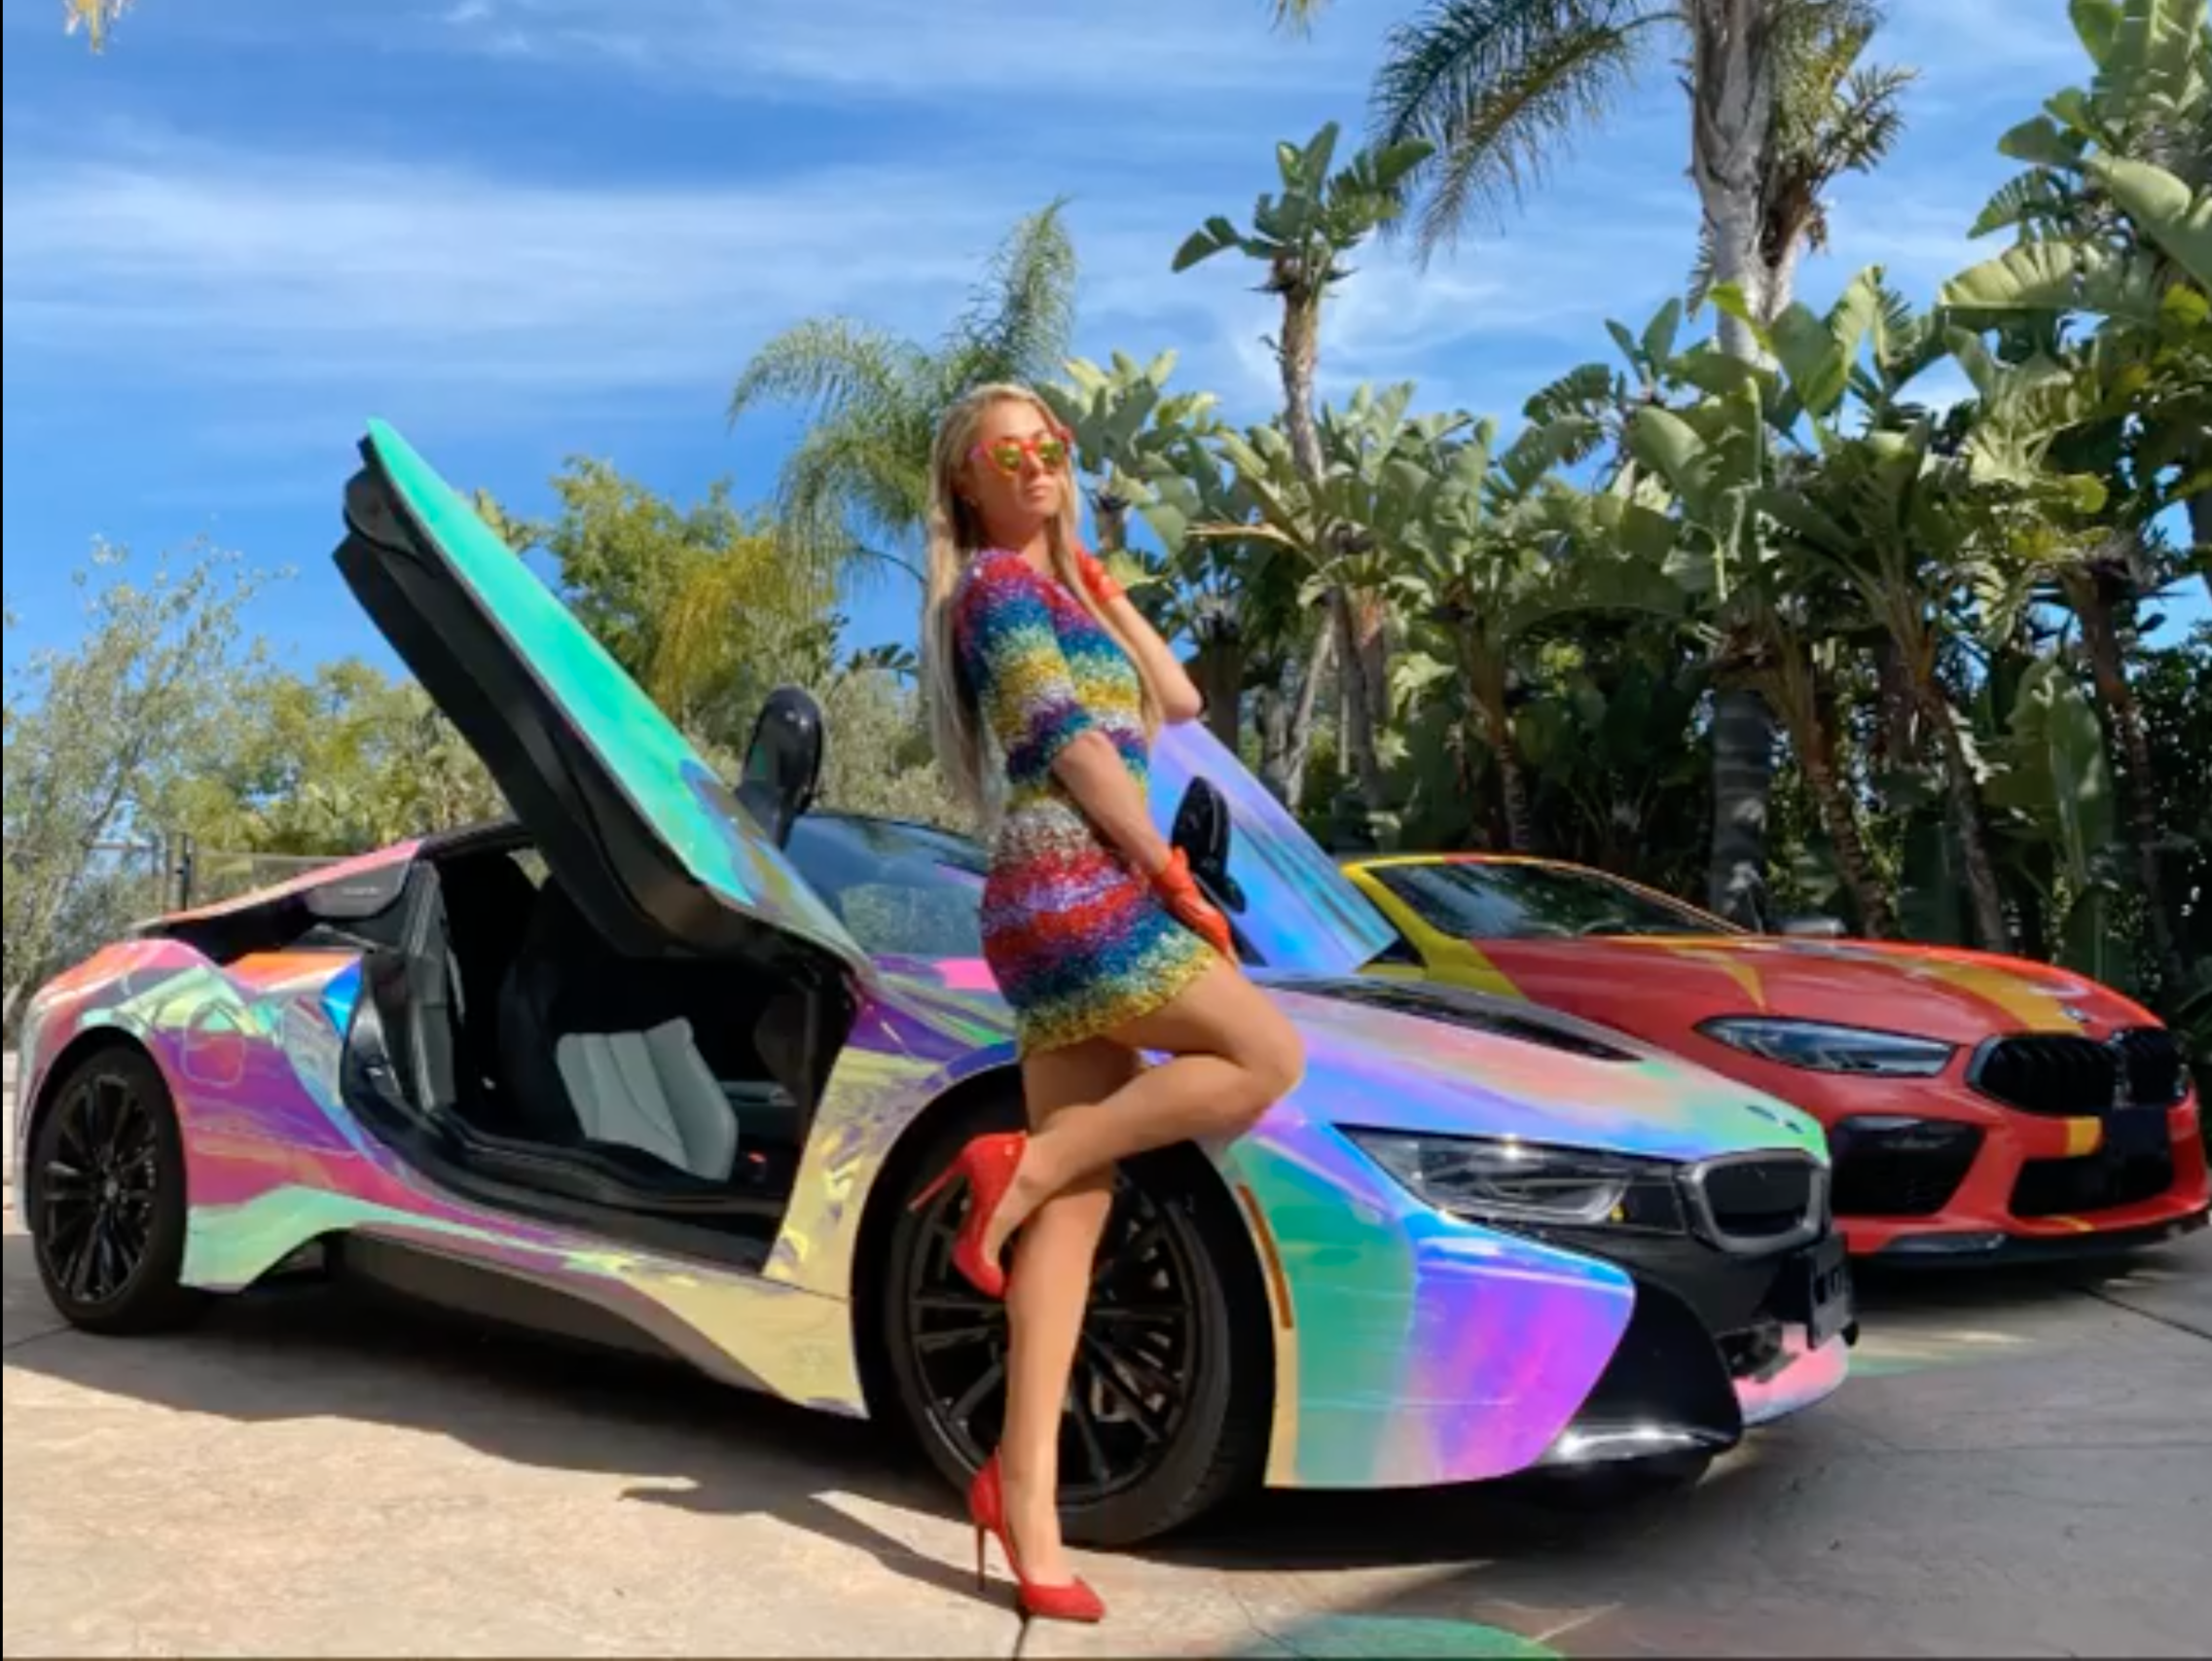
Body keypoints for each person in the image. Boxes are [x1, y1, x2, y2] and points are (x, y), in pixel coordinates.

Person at [915, 382, 1305, 1624]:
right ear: (966, 482)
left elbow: (1177, 705)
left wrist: (1100, 582)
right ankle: (1019, 1165)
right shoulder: (992, 589)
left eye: (1050, 446)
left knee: (1075, 1214)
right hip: (1072, 881)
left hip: (1059, 896)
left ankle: (1021, 1498)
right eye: (1006, 454)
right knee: (1264, 1053)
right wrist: (1167, 873)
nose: (1034, 464)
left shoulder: (1059, 590)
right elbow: (1077, 749)